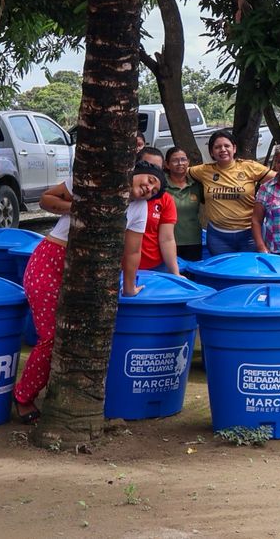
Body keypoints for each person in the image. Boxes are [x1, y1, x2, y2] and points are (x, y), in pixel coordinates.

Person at [15, 163, 153, 423]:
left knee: (80, 339)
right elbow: (46, 199)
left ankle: (63, 395)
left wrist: (129, 288)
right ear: (132, 172)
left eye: (155, 189)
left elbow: (133, 251)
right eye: (149, 179)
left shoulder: (139, 208)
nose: (149, 188)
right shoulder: (95, 179)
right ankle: (23, 397)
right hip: (51, 262)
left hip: (90, 273)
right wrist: (80, 208)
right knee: (51, 337)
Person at [190, 130, 273, 257]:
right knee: (223, 268)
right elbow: (178, 172)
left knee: (249, 268)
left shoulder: (249, 167)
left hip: (250, 234)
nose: (222, 149)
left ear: (234, 148)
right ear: (211, 152)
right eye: (217, 147)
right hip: (218, 237)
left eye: (226, 146)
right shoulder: (203, 170)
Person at [123, 150, 180, 296]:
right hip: (115, 266)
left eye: (158, 169)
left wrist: (175, 273)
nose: (149, 186)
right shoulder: (112, 190)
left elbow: (167, 239)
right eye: (149, 166)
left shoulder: (161, 200)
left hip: (153, 266)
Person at [163, 146, 206, 261]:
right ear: (167, 164)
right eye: (175, 160)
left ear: (188, 162)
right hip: (166, 240)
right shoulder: (161, 185)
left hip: (193, 240)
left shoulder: (197, 185)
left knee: (191, 271)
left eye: (183, 159)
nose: (180, 163)